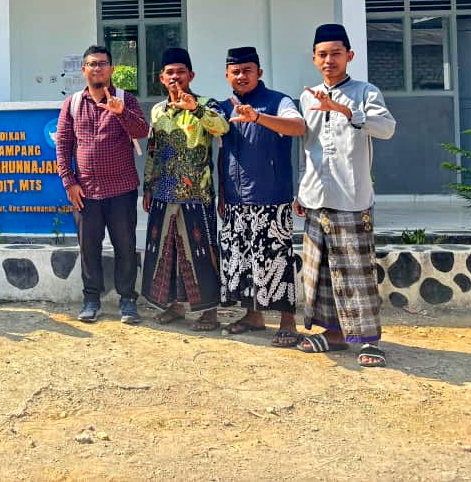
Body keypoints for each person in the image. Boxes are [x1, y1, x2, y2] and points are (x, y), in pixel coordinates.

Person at [295, 23, 396, 367]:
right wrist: (301, 189)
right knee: (320, 272)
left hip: (351, 199)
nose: (329, 60)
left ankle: (369, 341)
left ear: (349, 56)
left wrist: (344, 111)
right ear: (313, 58)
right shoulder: (307, 96)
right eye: (322, 54)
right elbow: (307, 148)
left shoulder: (366, 92)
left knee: (356, 271)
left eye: (336, 53)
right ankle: (334, 336)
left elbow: (386, 129)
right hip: (315, 198)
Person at [217, 47, 305, 346]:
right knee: (242, 260)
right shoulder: (223, 106)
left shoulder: (279, 101)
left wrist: (258, 117)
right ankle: (253, 315)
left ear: (259, 73)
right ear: (227, 75)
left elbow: (297, 127)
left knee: (277, 259)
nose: (241, 76)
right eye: (235, 71)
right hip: (234, 199)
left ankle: (288, 321)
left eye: (247, 71)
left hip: (271, 196)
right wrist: (221, 194)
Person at [55, 45, 149, 323]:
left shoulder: (126, 99)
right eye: (92, 64)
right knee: (89, 248)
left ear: (112, 69)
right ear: (84, 69)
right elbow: (62, 145)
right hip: (85, 192)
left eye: (103, 64)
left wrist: (121, 113)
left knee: (125, 246)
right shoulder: (71, 103)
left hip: (121, 190)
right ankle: (91, 298)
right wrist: (69, 182)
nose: (97, 68)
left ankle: (128, 300)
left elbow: (142, 132)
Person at [140, 47, 229, 331]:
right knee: (168, 252)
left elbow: (222, 128)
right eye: (170, 73)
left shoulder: (206, 103)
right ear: (161, 78)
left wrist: (196, 109)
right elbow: (152, 150)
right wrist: (148, 187)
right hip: (163, 193)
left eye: (181, 72)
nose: (175, 77)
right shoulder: (158, 110)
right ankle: (175, 306)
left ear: (191, 75)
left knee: (201, 252)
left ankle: (209, 312)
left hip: (196, 195)